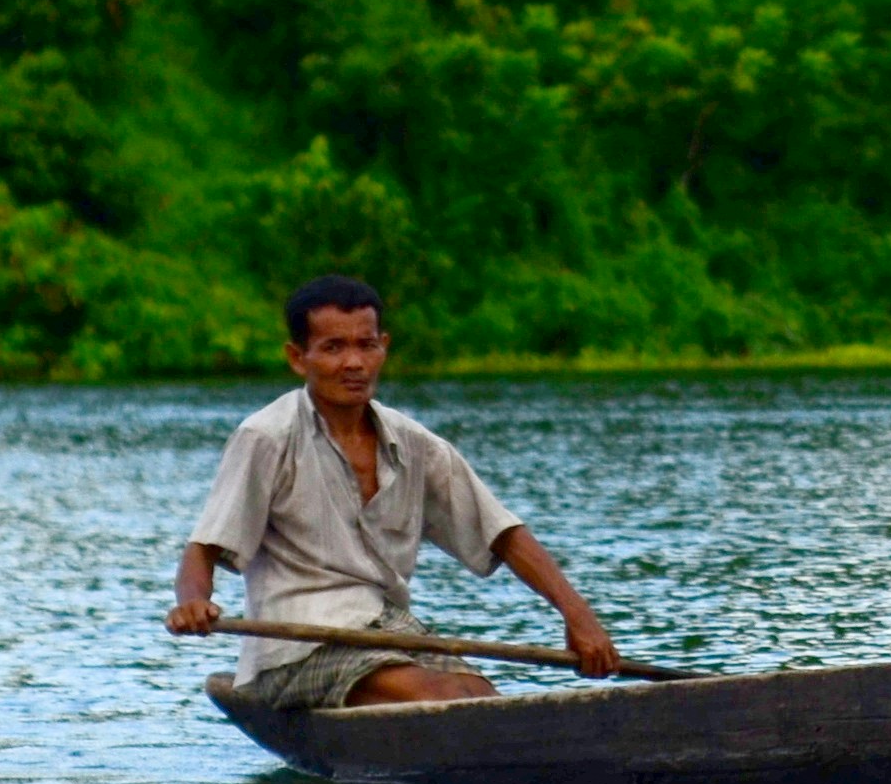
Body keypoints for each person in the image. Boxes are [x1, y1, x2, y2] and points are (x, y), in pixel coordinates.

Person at [168, 275, 627, 706]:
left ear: (383, 348)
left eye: (366, 345)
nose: (353, 362)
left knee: (480, 696)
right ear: (297, 357)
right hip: (296, 647)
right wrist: (192, 603)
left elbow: (502, 534)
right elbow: (203, 550)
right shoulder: (266, 438)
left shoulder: (414, 444)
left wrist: (579, 618)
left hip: (389, 628)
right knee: (444, 701)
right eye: (333, 348)